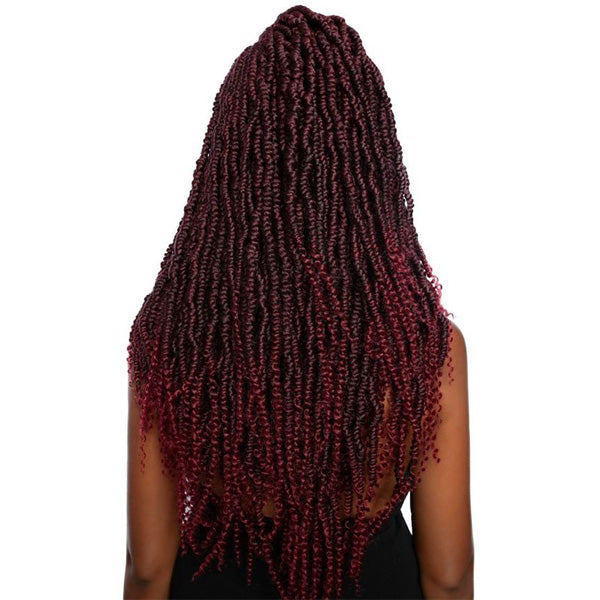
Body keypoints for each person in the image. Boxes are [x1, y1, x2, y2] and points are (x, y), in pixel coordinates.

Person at [123, 5, 474, 599]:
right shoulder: (423, 351)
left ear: (232, 160)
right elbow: (449, 574)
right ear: (368, 160)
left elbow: (149, 568)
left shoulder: (172, 337)